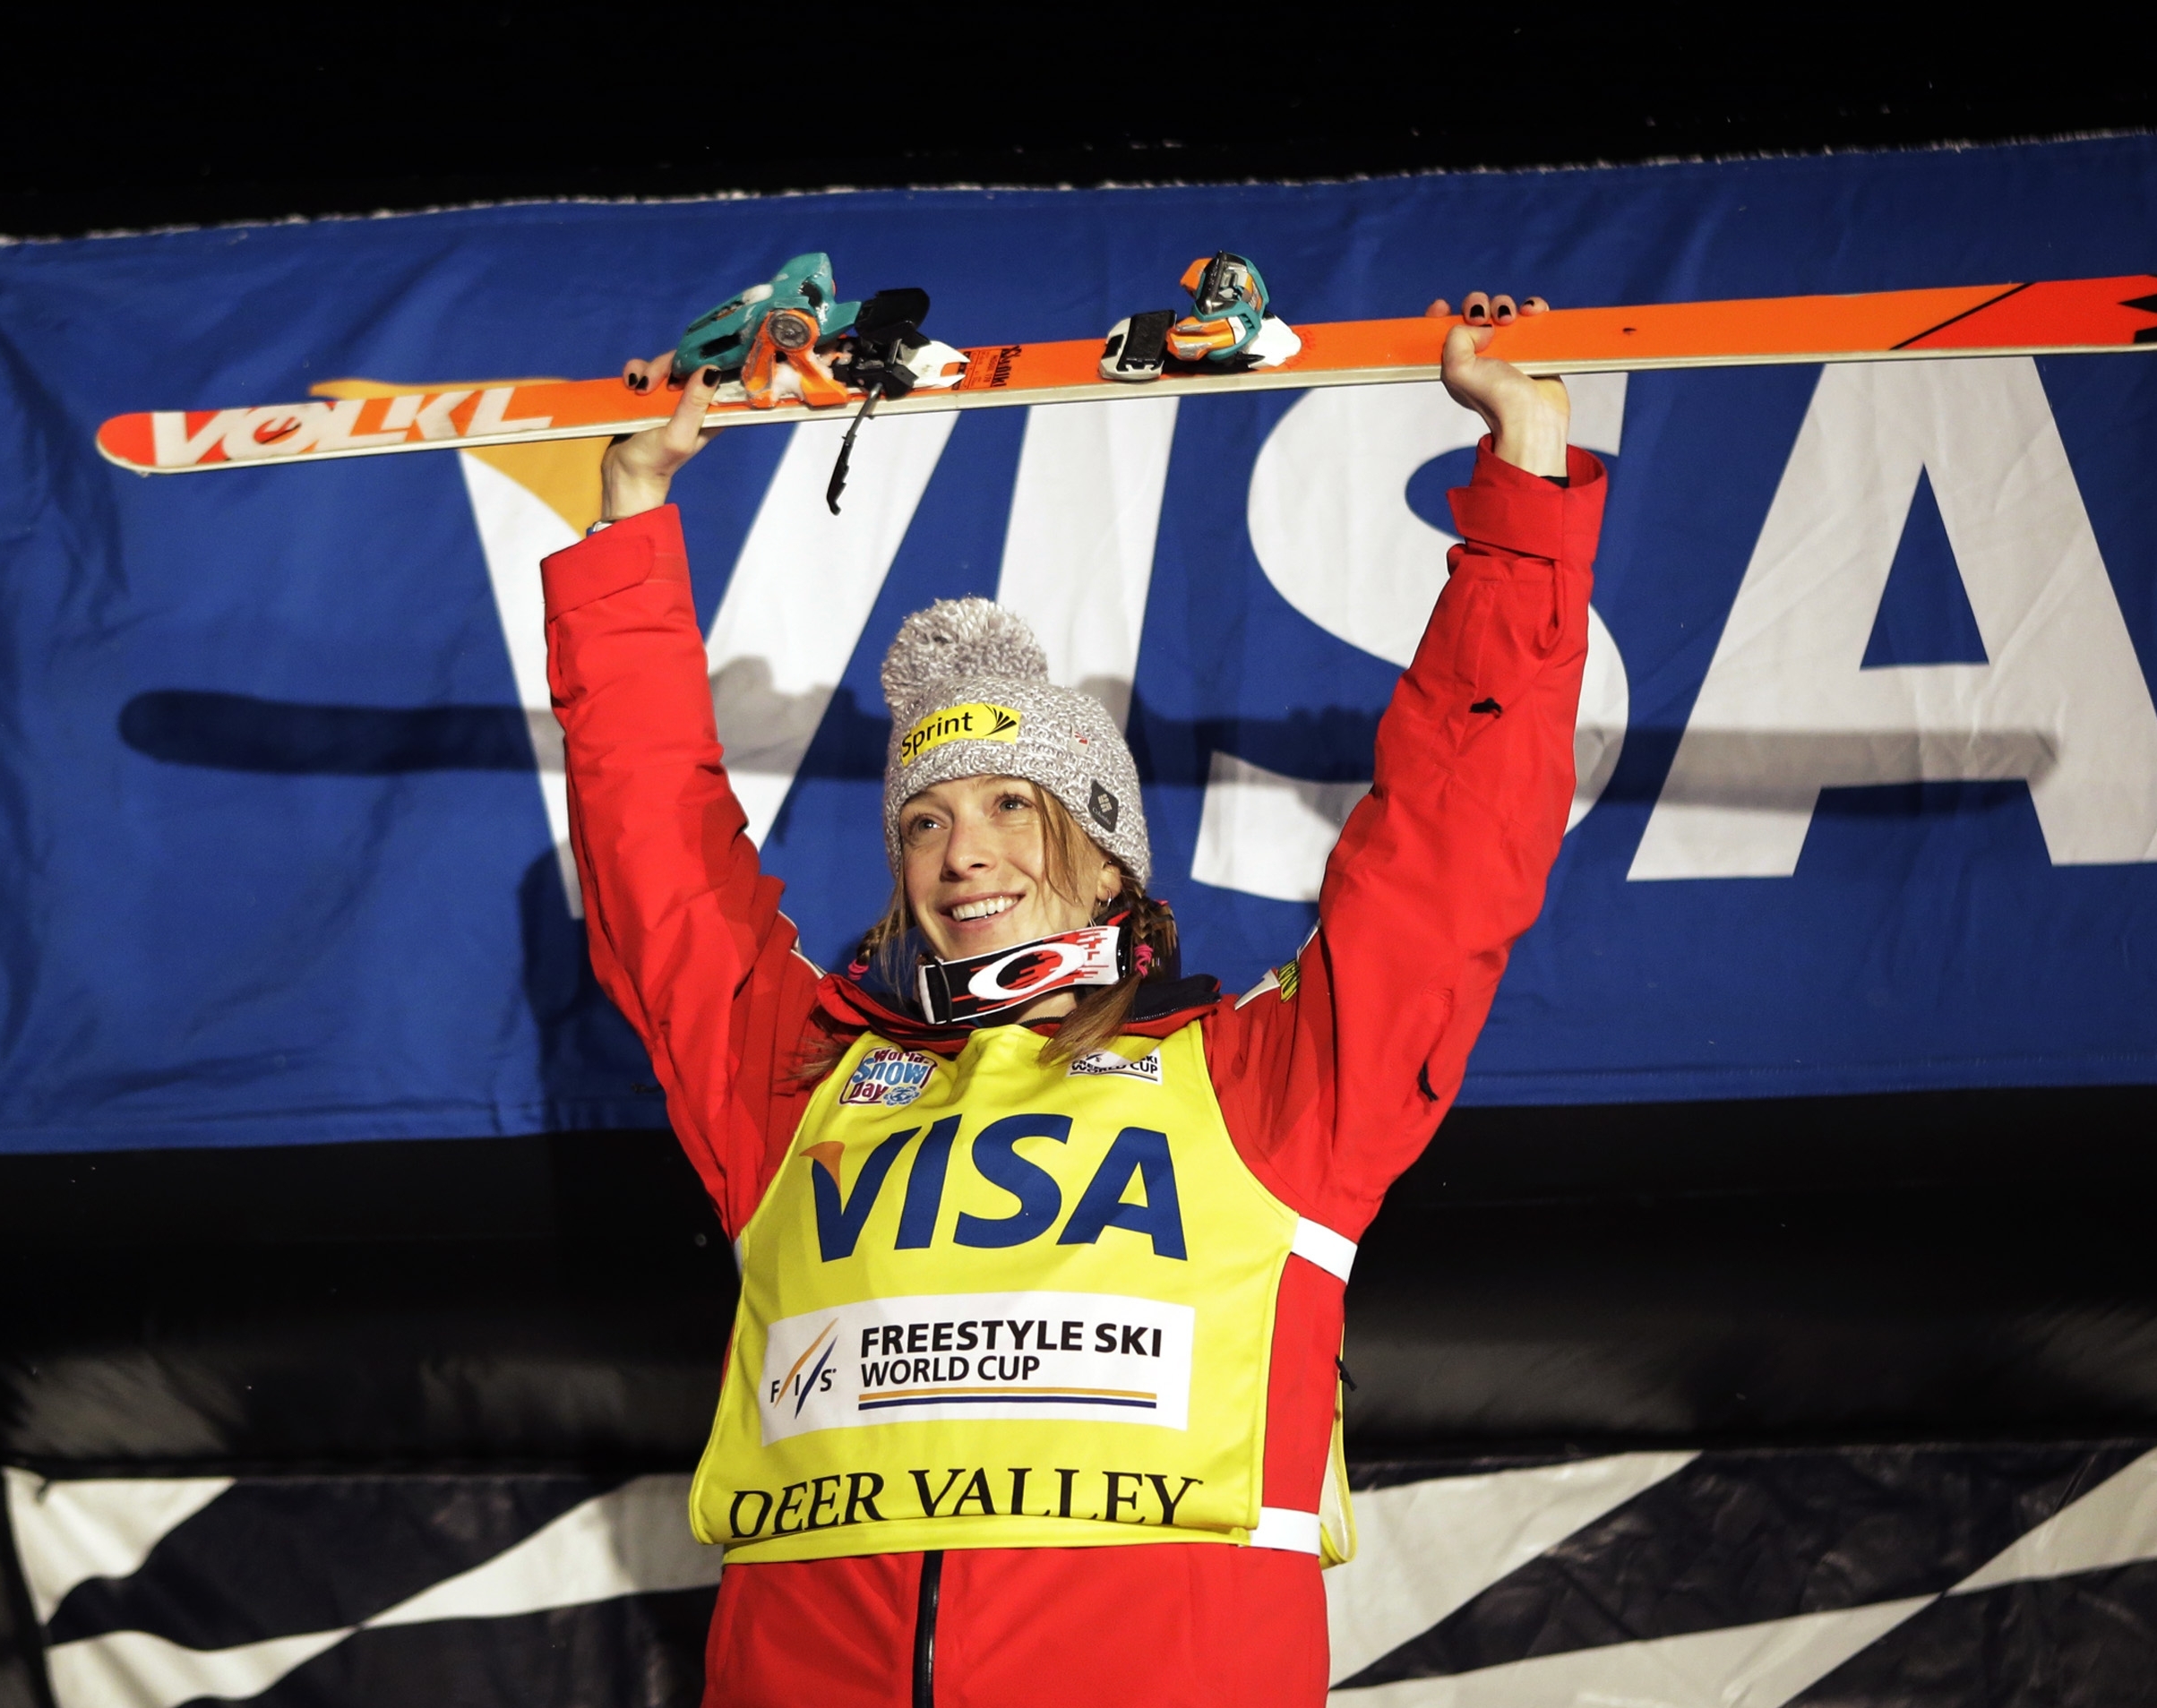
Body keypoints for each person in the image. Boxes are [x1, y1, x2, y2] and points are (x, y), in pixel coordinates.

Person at [540, 291, 1604, 1708]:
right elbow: (656, 867)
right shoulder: (794, 1084)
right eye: (923, 821)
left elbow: (1452, 845)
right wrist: (627, 521)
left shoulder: (1267, 1084)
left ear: (1108, 862)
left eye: (1011, 808)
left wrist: (1523, 482)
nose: (960, 851)